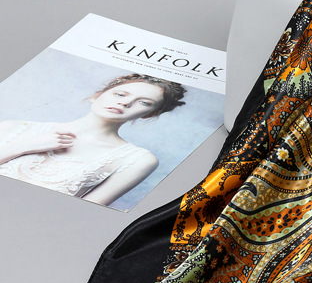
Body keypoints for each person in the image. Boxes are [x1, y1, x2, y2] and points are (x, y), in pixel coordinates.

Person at [0, 73, 186, 205]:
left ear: (149, 114)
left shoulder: (137, 159)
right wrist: (23, 146)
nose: (125, 102)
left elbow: (82, 213)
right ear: (97, 95)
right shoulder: (13, 127)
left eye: (144, 102)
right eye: (120, 94)